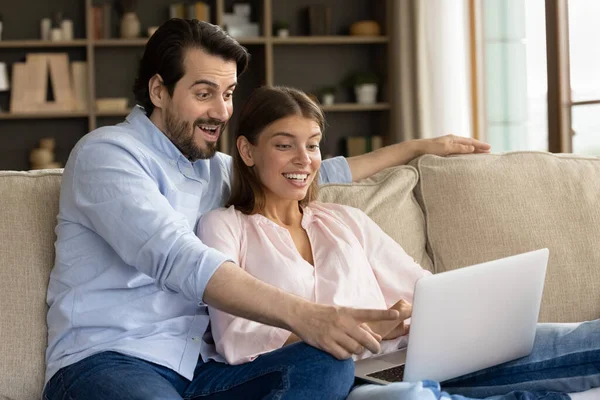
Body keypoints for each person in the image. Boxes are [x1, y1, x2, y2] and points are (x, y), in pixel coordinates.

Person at [43, 19, 491, 400]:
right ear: (159, 90)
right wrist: (307, 315)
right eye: (204, 93)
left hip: (202, 367)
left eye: (229, 93)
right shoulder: (107, 154)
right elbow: (177, 258)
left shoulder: (212, 168)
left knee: (326, 364)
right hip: (110, 360)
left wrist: (416, 147)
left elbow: (305, 172)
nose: (221, 111)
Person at [196, 85, 600, 400]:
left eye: (314, 144)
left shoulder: (345, 220)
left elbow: (424, 290)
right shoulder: (225, 227)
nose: (304, 159)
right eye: (285, 145)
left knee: (578, 338)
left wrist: (408, 312)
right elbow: (237, 337)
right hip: (346, 379)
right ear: (247, 151)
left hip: (405, 358)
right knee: (410, 396)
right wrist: (352, 330)